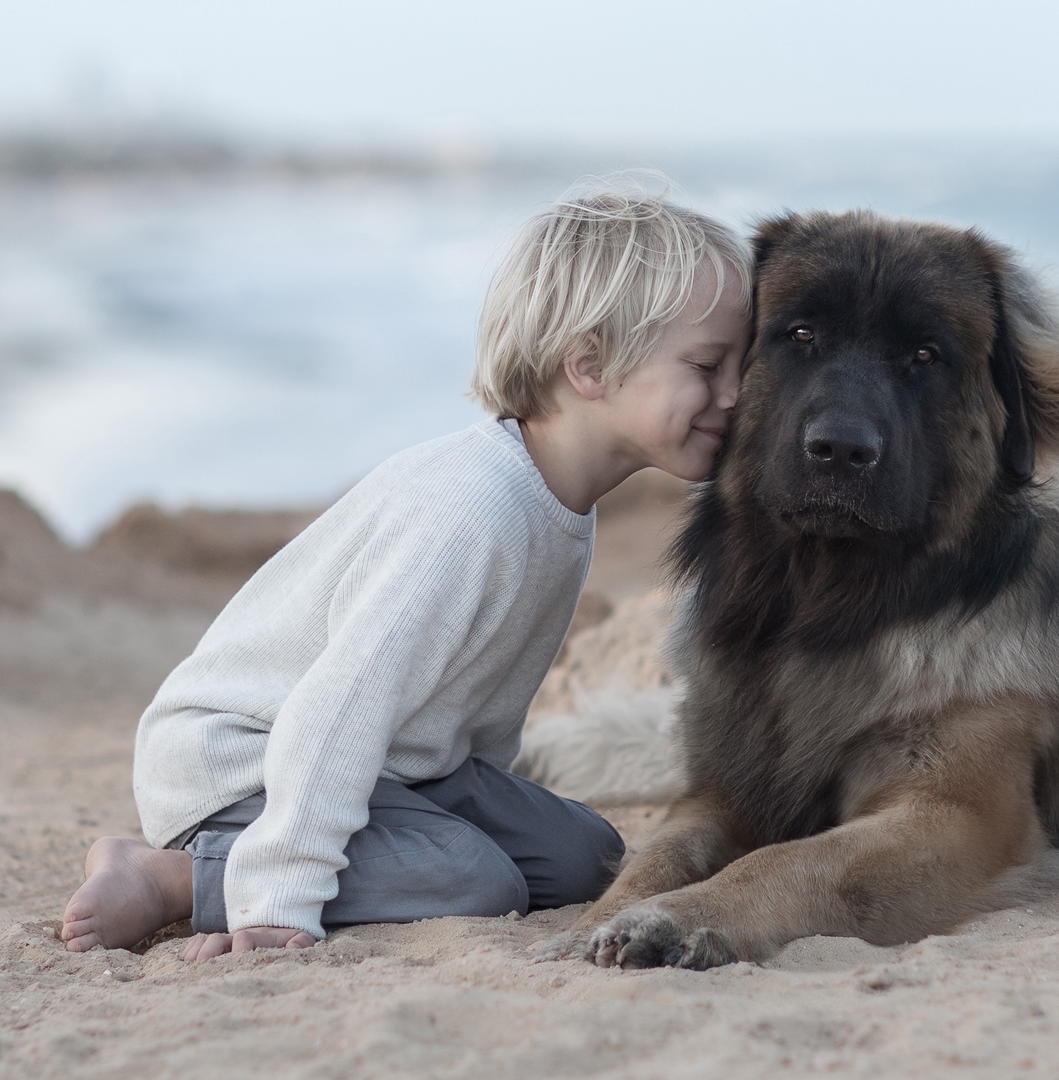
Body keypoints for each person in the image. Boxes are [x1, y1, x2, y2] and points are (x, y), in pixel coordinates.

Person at [58, 180, 752, 961]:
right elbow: (337, 707)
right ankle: (170, 878)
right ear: (589, 366)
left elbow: (483, 702)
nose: (735, 394)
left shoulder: (560, 503)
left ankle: (406, 846)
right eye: (707, 365)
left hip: (404, 766)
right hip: (246, 760)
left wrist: (485, 805)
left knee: (585, 855)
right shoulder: (472, 510)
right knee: (474, 880)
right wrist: (275, 895)